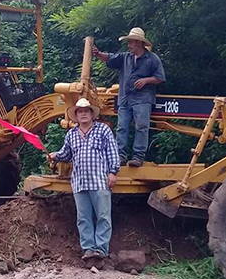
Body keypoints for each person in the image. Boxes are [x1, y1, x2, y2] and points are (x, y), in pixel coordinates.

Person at [48, 98, 120, 262]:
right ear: (76, 115)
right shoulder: (71, 134)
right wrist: (55, 156)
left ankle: (101, 250)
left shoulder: (103, 130)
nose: (83, 114)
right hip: (79, 183)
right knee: (83, 218)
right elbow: (66, 153)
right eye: (80, 112)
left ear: (92, 114)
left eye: (86, 111)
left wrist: (113, 172)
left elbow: (113, 152)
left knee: (103, 216)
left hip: (100, 181)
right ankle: (88, 249)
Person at [92, 27, 165, 167]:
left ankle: (138, 156)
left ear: (138, 43)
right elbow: (109, 58)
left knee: (142, 126)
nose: (128, 45)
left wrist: (146, 80)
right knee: (122, 127)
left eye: (130, 42)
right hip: (125, 98)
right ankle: (120, 156)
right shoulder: (126, 57)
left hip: (143, 99)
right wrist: (98, 54)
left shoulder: (152, 58)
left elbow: (160, 77)